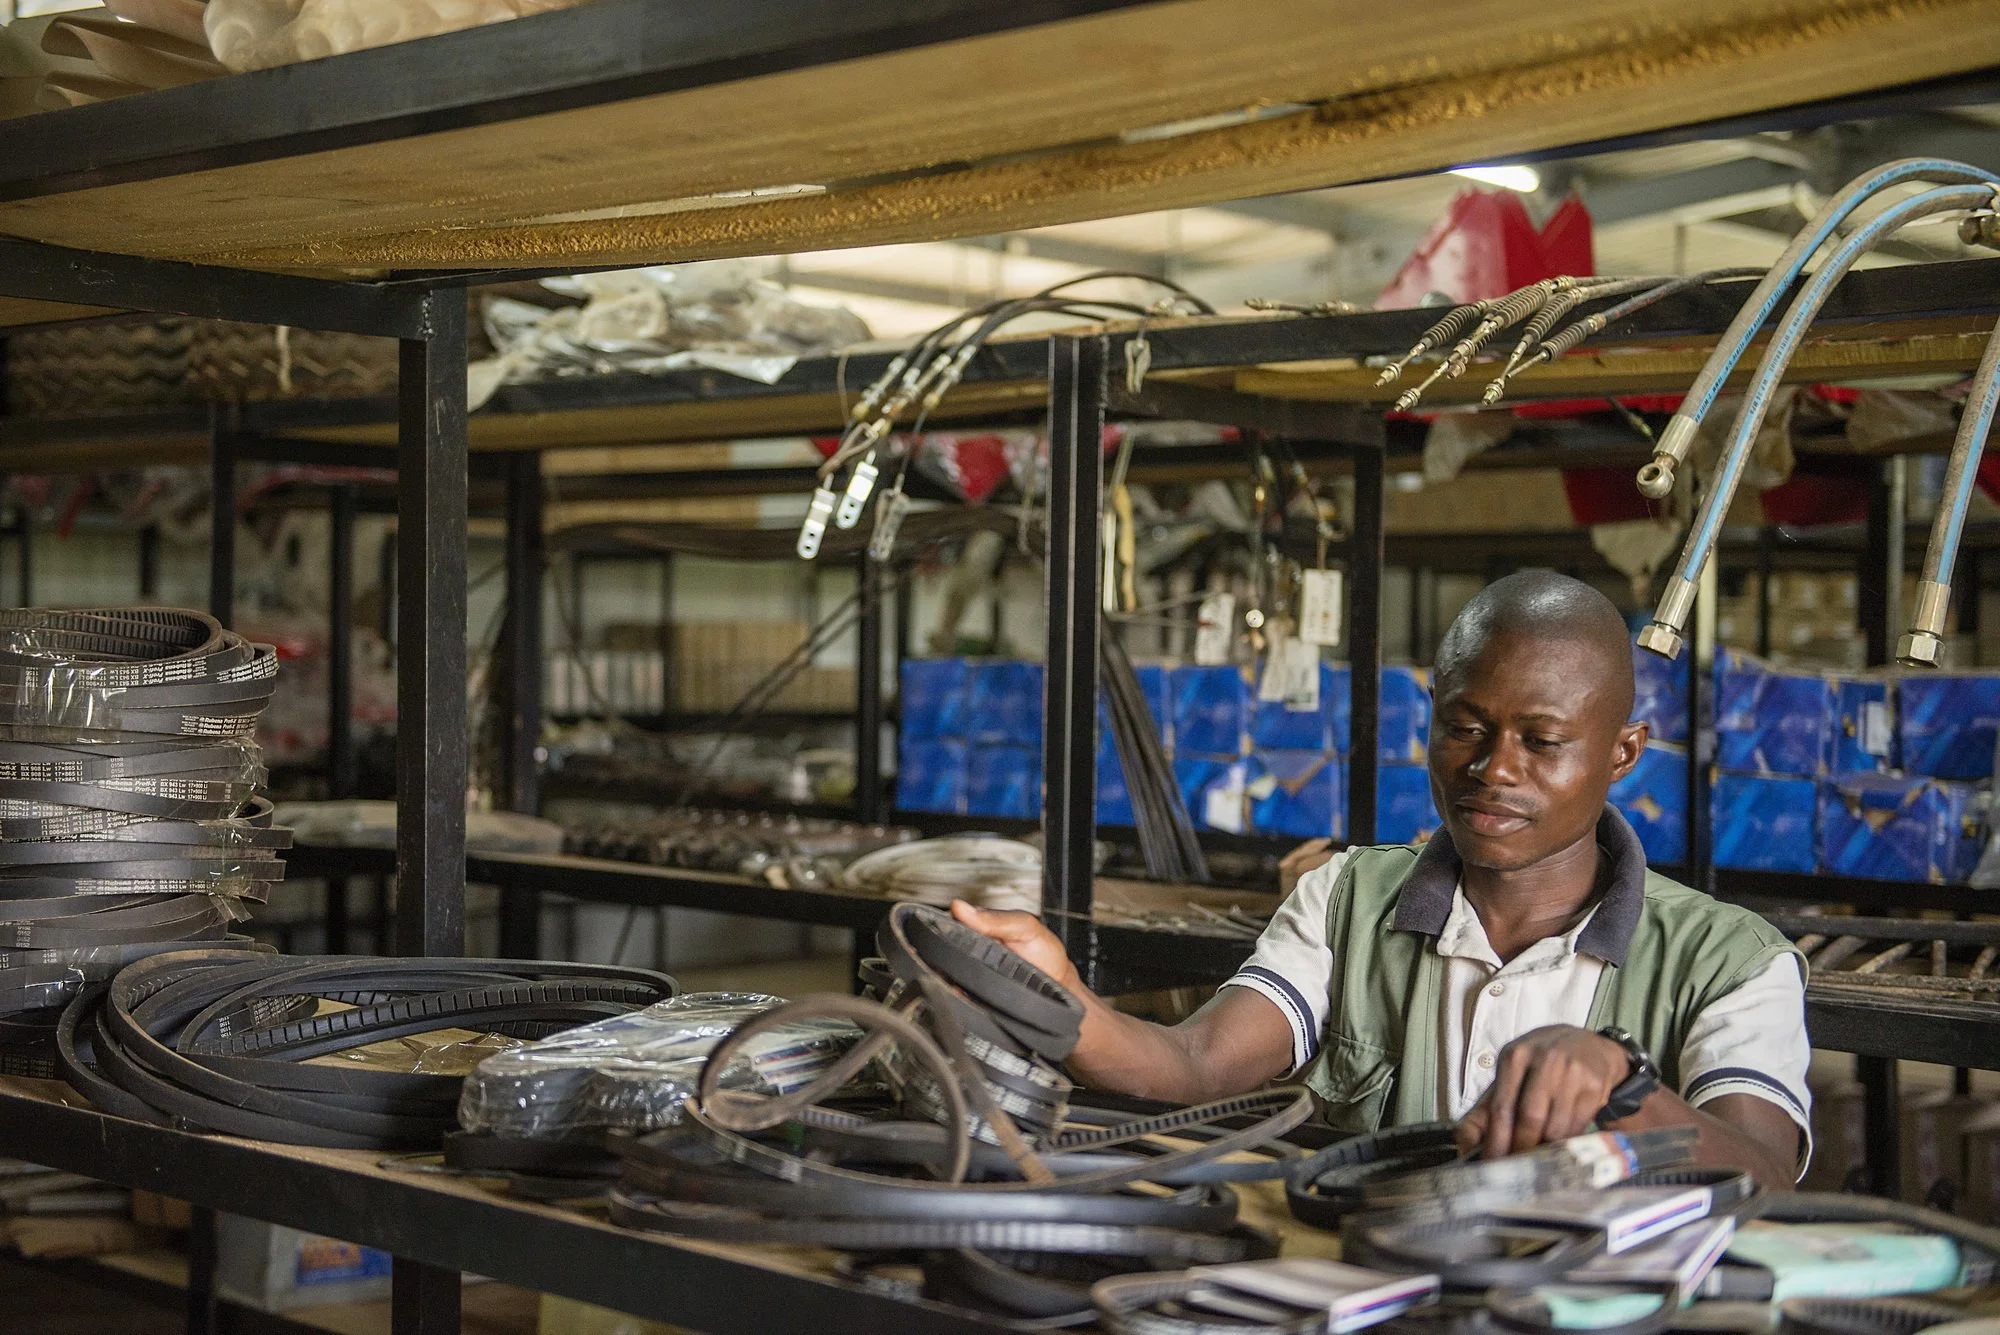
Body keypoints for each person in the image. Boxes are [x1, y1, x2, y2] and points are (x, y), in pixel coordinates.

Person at [953, 571, 1808, 1186]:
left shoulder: (1731, 959)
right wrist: (1061, 1001)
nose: (1494, 769)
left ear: (1623, 752)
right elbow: (1197, 1061)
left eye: (1542, 742)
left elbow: (1767, 1171)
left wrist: (1626, 1089)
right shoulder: (1348, 899)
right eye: (1465, 728)